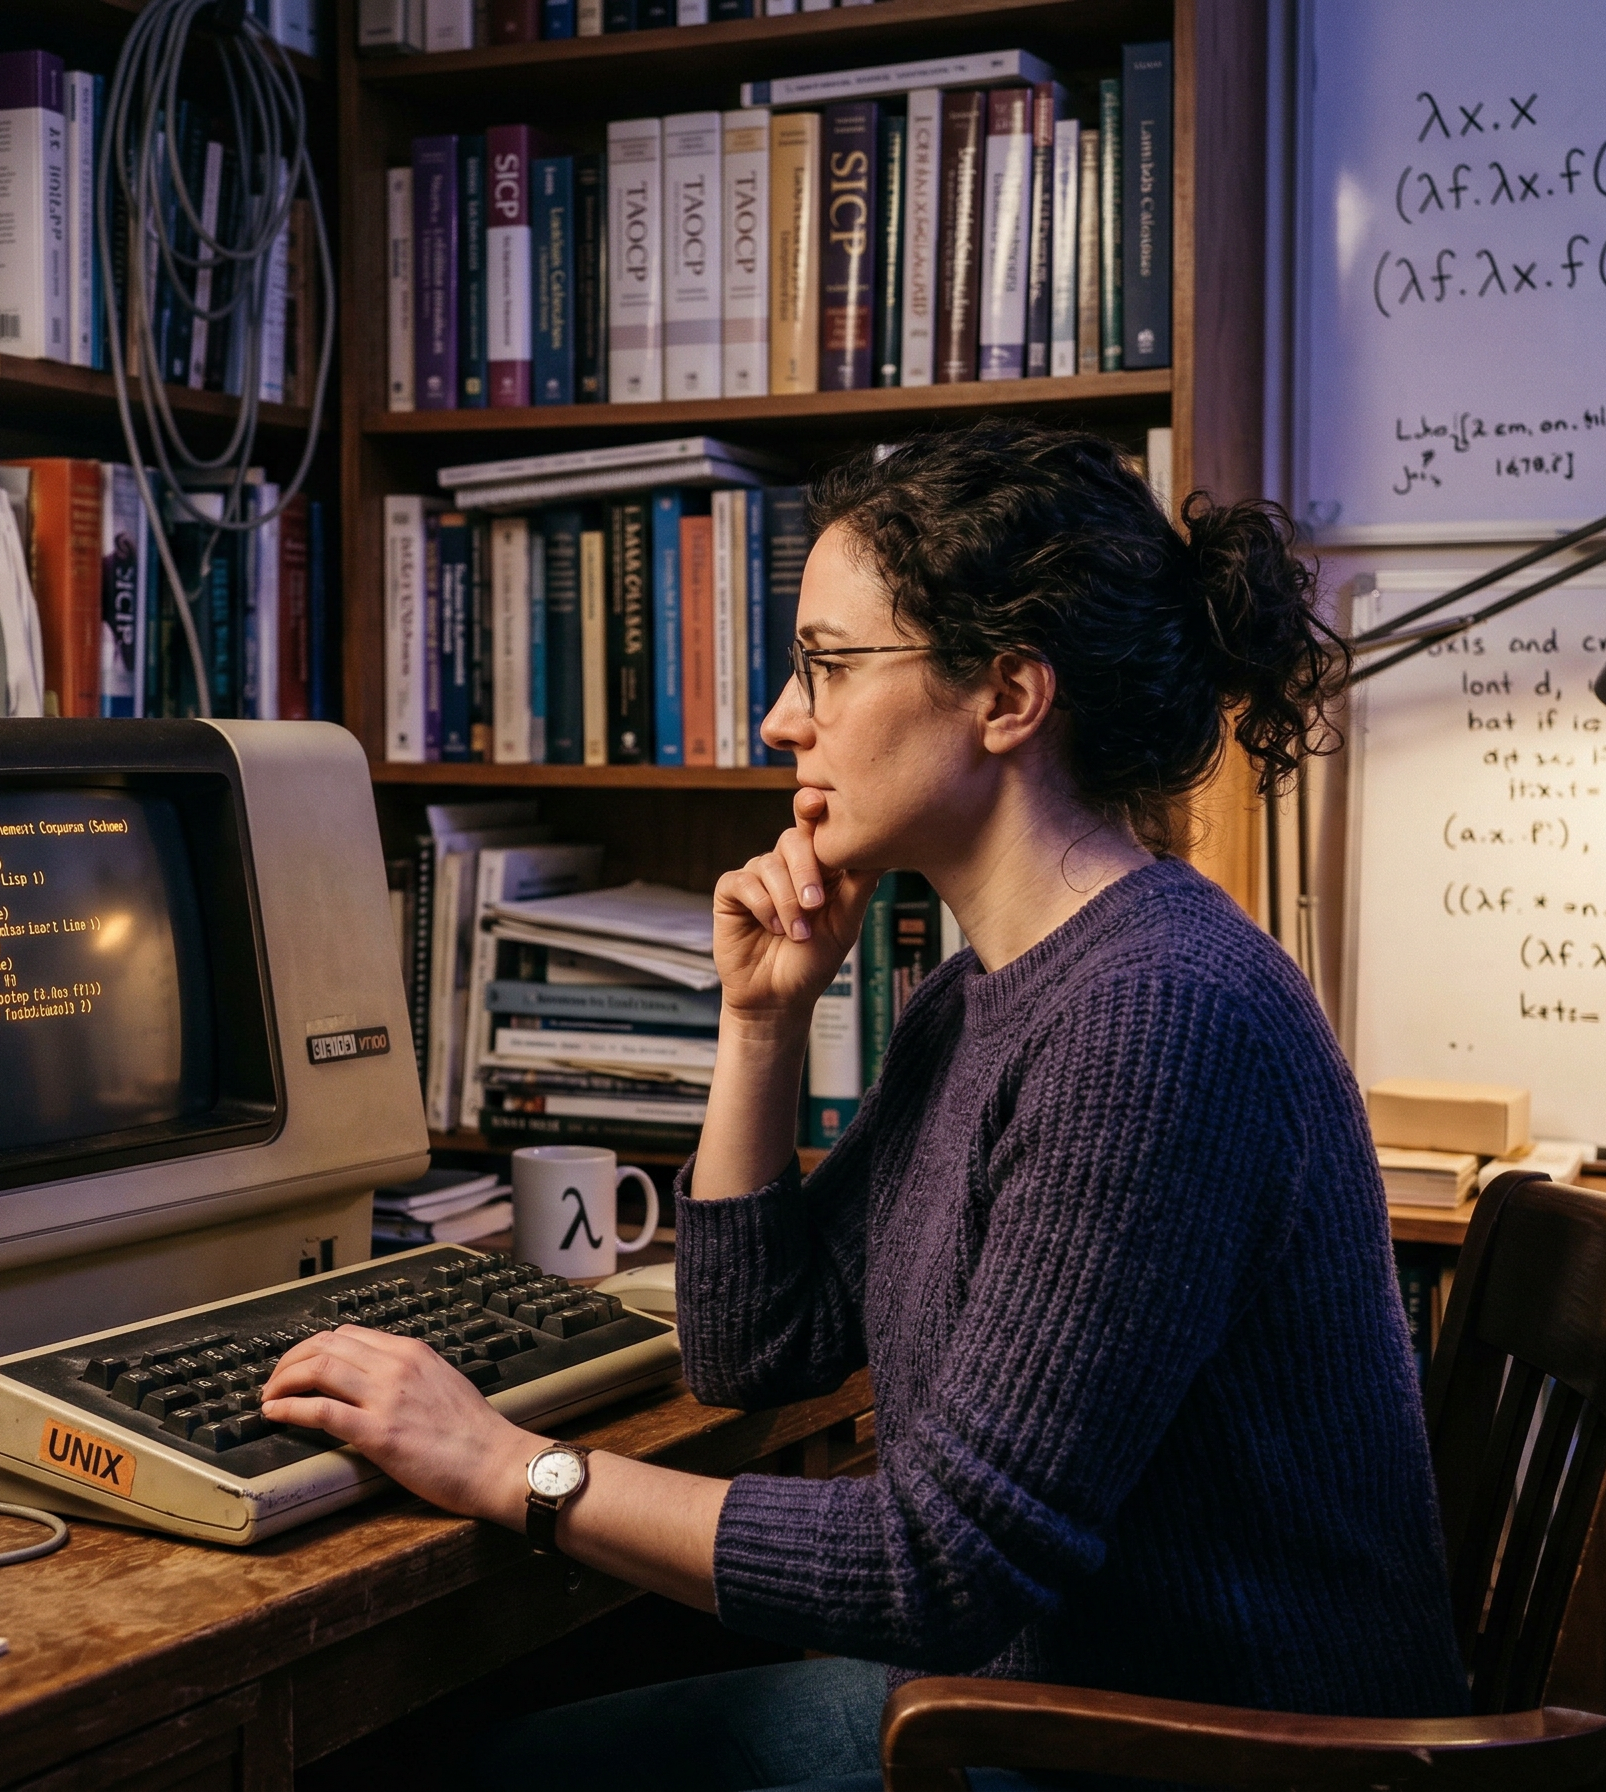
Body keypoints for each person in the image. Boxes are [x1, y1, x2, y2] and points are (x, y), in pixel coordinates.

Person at [260, 421, 1467, 1790]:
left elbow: (939, 1568)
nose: (783, 718)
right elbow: (752, 1342)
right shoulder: (984, 991)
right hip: (1050, 1697)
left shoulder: (1154, 1019)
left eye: (829, 668)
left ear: (1008, 696)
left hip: (1192, 1751)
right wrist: (761, 1021)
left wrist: (503, 1467)